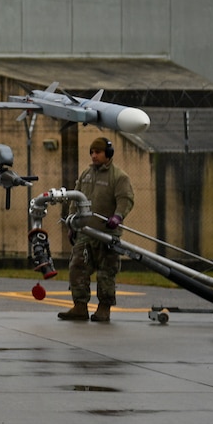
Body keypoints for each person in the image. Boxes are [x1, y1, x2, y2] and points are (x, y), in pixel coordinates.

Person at [59, 135, 136, 323]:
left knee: (105, 272)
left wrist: (117, 216)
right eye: (92, 152)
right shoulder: (86, 174)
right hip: (85, 233)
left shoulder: (119, 177)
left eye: (98, 152)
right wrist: (72, 223)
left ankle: (104, 309)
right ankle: (79, 306)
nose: (94, 156)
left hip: (107, 235)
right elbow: (76, 197)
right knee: (77, 267)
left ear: (108, 154)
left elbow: (125, 199)